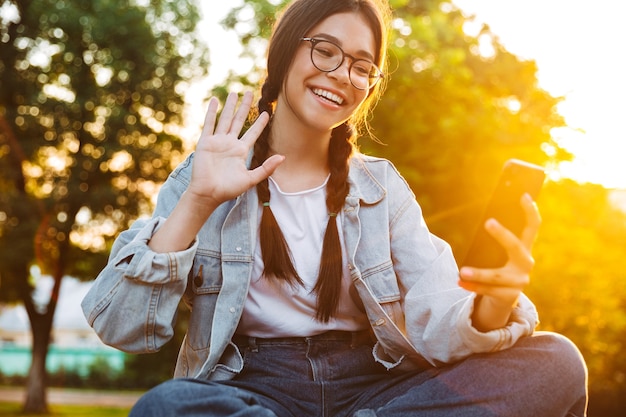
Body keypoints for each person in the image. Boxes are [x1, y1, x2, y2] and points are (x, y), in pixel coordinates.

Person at [81, 0, 588, 415]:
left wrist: (494, 303)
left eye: (362, 66)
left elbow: (437, 321)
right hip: (257, 389)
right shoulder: (206, 175)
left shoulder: (381, 188)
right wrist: (197, 202)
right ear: (283, 54)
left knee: (556, 363)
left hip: (375, 390)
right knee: (169, 408)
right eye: (326, 51)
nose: (343, 74)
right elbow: (123, 328)